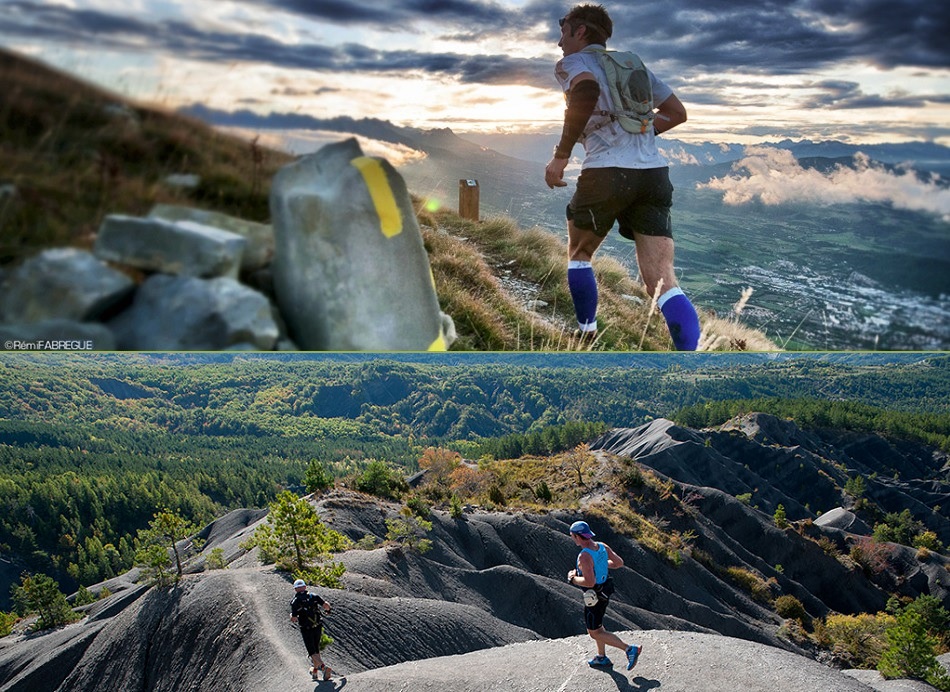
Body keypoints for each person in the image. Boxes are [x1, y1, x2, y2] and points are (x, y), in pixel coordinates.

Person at [544, 4, 701, 351]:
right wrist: (638, 134)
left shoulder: (575, 63)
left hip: (605, 172)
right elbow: (677, 113)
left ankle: (585, 333)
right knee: (662, 280)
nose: (559, 41)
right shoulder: (634, 65)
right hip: (652, 174)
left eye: (563, 30)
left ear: (580, 31)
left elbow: (584, 92)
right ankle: (691, 362)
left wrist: (561, 154)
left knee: (580, 253)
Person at [567, 520, 642, 670]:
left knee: (594, 632)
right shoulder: (601, 546)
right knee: (599, 627)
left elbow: (589, 582)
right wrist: (600, 564)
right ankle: (601, 657)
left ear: (577, 536)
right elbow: (619, 563)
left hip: (594, 595)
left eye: (572, 536)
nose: (571, 538)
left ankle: (629, 649)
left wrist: (572, 579)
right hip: (605, 590)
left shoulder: (584, 556)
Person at [290, 578, 334, 681]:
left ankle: (324, 668)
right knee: (316, 650)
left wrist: (291, 616)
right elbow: (326, 605)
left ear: (295, 589)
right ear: (305, 587)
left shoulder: (295, 602)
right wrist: (328, 611)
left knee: (312, 652)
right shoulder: (314, 596)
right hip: (318, 627)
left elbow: (294, 618)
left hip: (306, 629)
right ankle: (314, 671)